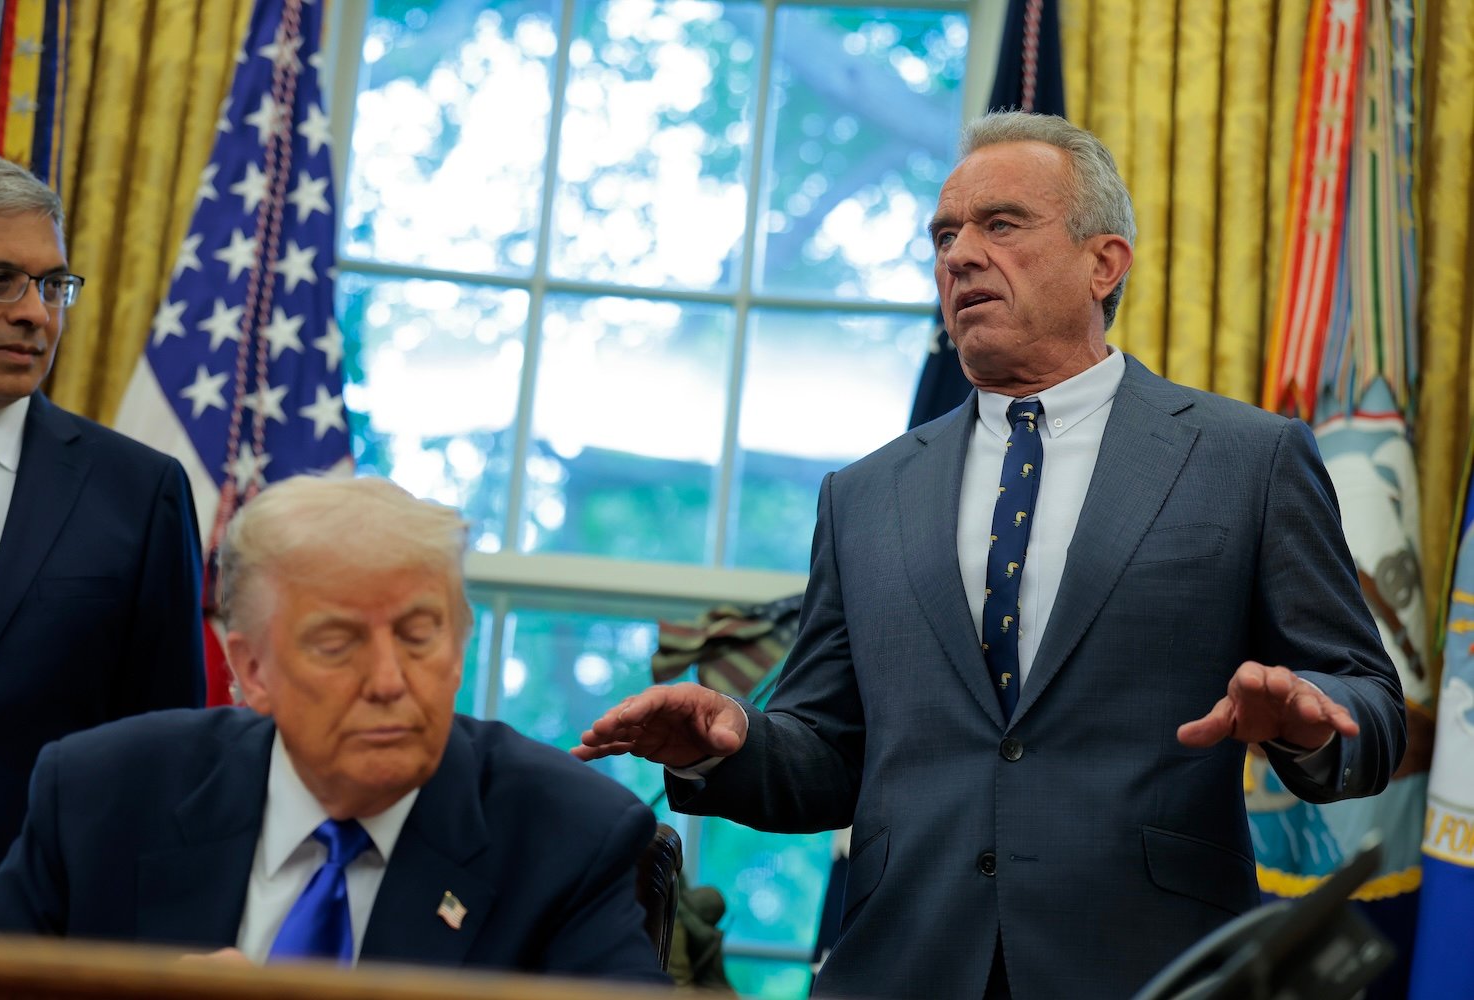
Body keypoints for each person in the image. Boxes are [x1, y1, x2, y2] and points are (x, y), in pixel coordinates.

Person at [574, 112, 1406, 999]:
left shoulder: (1248, 458)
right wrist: (727, 746)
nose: (959, 255)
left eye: (1000, 225)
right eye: (945, 235)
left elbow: (1370, 699)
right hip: (904, 966)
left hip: (1151, 966)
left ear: (1103, 262)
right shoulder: (864, 494)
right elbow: (828, 755)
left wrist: (1313, 718)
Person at [0, 475, 669, 984]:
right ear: (252, 668)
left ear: (459, 650)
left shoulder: (567, 836)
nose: (389, 680)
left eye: (419, 635)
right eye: (337, 643)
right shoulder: (104, 793)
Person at [0, 148, 205, 890]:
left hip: (34, 931)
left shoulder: (138, 493)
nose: (36, 313)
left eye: (52, 285)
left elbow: (166, 757)